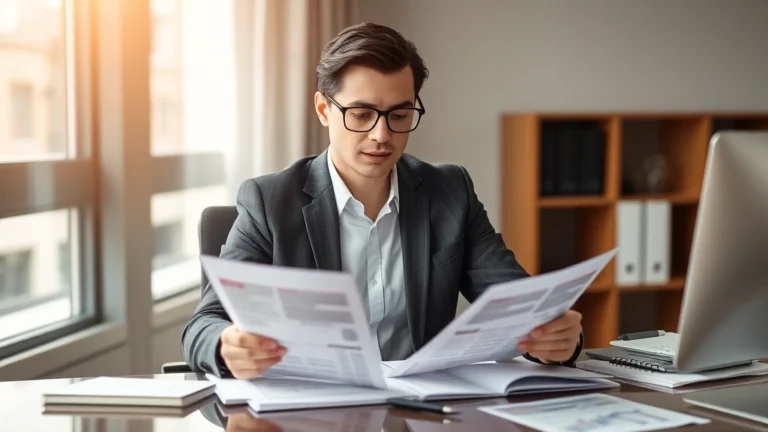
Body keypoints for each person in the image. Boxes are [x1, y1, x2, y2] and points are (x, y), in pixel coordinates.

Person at [181, 22, 583, 379]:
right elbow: (203, 324)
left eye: (399, 115)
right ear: (324, 110)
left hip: (420, 412)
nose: (381, 134)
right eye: (360, 114)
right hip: (310, 413)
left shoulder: (450, 192)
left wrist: (558, 338)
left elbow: (521, 308)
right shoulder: (269, 201)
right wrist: (225, 345)